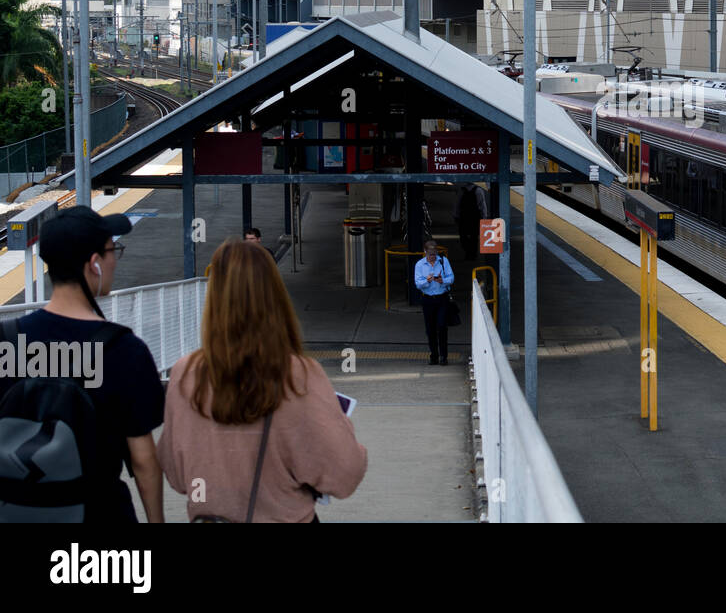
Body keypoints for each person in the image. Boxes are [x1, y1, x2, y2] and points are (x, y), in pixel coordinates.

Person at [158, 239, 367, 522]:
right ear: (276, 296)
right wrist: (340, 426)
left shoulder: (185, 373)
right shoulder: (298, 375)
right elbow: (344, 476)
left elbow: (177, 475)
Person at [0, 206, 165, 522]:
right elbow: (143, 460)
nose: (114, 259)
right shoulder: (123, 350)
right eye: (111, 251)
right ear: (94, 264)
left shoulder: (7, 339)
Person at [414, 241, 454, 365]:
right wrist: (427, 280)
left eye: (435, 253)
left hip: (442, 298)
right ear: (425, 252)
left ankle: (443, 356)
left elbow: (451, 278)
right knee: (430, 329)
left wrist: (443, 281)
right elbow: (418, 283)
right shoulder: (420, 265)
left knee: (442, 326)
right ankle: (434, 355)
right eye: (430, 254)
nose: (433, 256)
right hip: (428, 299)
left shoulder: (443, 261)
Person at [454, 183, 490, 262]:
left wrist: (456, 215)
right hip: (475, 217)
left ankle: (469, 252)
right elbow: (482, 205)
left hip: (464, 216)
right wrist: (484, 216)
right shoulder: (478, 190)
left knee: (463, 236)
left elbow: (457, 204)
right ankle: (472, 254)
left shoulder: (462, 190)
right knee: (474, 236)